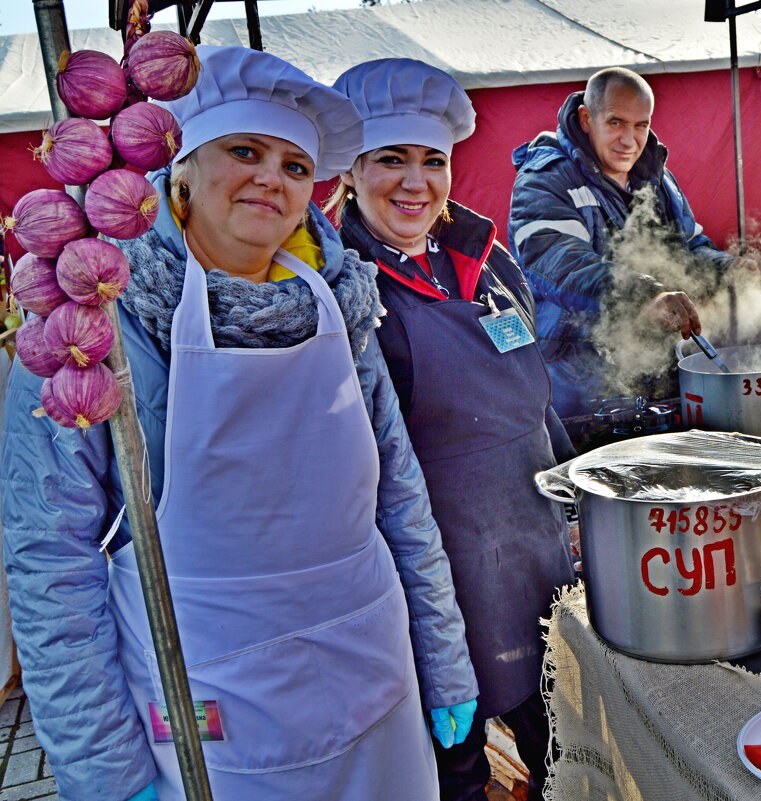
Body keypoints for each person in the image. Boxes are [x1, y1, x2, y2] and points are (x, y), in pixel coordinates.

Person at [1, 46, 479, 801]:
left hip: (370, 671)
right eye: (245, 151)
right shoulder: (90, 322)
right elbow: (48, 561)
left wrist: (444, 657)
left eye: (295, 166)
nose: (271, 178)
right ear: (181, 169)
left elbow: (400, 496)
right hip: (210, 703)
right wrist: (105, 769)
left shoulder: (338, 303)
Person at [328, 58, 575, 801]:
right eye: (389, 160)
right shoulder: (345, 286)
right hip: (438, 583)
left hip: (535, 552)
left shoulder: (486, 257)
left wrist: (574, 502)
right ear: (349, 172)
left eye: (431, 161)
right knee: (458, 770)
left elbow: (533, 399)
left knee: (566, 748)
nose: (414, 182)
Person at [509, 67, 740, 445]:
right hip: (579, 385)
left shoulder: (657, 177)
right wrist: (643, 296)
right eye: (616, 122)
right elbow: (556, 260)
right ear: (587, 118)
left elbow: (689, 248)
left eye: (640, 125)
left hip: (658, 375)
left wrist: (733, 270)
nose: (629, 140)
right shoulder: (546, 176)